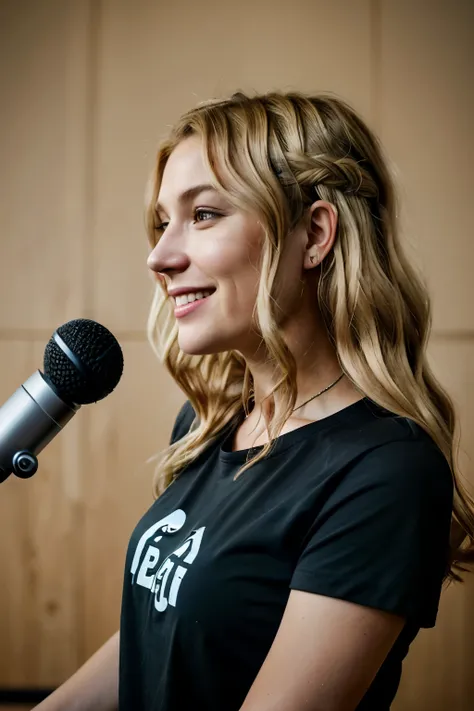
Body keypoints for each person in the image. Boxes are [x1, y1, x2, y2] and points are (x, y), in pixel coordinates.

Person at [36, 91, 474, 711]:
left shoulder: (383, 472)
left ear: (315, 234)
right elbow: (162, 631)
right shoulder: (208, 426)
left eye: (205, 214)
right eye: (164, 221)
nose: (160, 257)